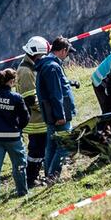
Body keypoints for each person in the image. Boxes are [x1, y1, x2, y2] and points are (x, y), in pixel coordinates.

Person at [0, 68, 30, 207]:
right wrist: (18, 128)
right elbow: (25, 117)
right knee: (19, 165)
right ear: (10, 81)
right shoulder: (16, 98)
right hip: (13, 138)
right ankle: (22, 192)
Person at [35, 36, 76, 181]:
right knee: (65, 145)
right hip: (58, 115)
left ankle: (48, 175)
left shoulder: (47, 65)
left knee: (51, 146)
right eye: (68, 52)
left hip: (50, 114)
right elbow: (55, 93)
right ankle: (53, 176)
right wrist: (60, 115)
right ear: (63, 50)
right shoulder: (52, 66)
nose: (67, 56)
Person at [17, 36, 52, 188]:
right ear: (36, 54)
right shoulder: (25, 71)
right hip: (35, 120)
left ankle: (37, 176)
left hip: (40, 119)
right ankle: (31, 179)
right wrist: (48, 108)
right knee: (35, 151)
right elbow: (30, 99)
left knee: (42, 149)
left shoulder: (30, 66)